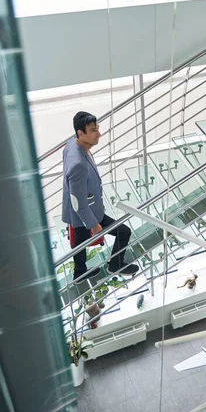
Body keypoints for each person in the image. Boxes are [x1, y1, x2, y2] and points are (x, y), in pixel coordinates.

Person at [62, 111, 138, 284]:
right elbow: (78, 202)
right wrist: (94, 225)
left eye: (97, 128)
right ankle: (115, 264)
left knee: (79, 242)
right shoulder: (78, 164)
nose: (99, 133)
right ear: (80, 133)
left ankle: (79, 273)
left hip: (83, 210)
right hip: (85, 212)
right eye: (93, 130)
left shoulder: (72, 145)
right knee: (123, 232)